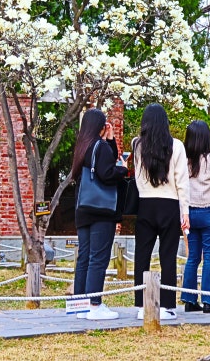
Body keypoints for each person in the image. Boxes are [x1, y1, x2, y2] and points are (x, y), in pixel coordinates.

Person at [133, 103, 190, 321]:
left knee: (142, 256)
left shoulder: (138, 146)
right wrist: (185, 211)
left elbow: (138, 178)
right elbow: (182, 181)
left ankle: (141, 305)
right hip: (169, 204)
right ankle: (166, 306)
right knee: (168, 257)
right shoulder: (176, 146)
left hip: (145, 203)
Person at [71, 108, 128, 320]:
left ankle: (79, 305)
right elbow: (107, 173)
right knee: (99, 258)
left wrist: (110, 141)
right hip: (101, 211)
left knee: (84, 257)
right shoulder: (99, 146)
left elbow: (100, 165)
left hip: (83, 208)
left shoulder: (82, 147)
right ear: (100, 126)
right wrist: (123, 169)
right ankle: (94, 305)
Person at [180, 120, 210, 314]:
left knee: (192, 257)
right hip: (208, 212)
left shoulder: (183, 160)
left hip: (189, 212)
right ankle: (209, 300)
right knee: (209, 257)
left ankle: (189, 299)